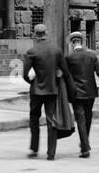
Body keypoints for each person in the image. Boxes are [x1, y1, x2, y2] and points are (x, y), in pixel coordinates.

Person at [22, 23, 73, 160]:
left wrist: (32, 82)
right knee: (51, 121)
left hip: (36, 91)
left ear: (35, 35)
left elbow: (25, 74)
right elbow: (66, 71)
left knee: (34, 119)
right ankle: (51, 153)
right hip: (52, 90)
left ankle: (34, 149)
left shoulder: (32, 51)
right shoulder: (56, 50)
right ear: (46, 34)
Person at [66, 31, 99, 158]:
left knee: (80, 120)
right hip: (91, 93)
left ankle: (85, 148)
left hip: (76, 94)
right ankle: (85, 141)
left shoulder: (69, 58)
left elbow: (66, 76)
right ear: (81, 42)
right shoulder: (92, 56)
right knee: (88, 118)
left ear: (72, 43)